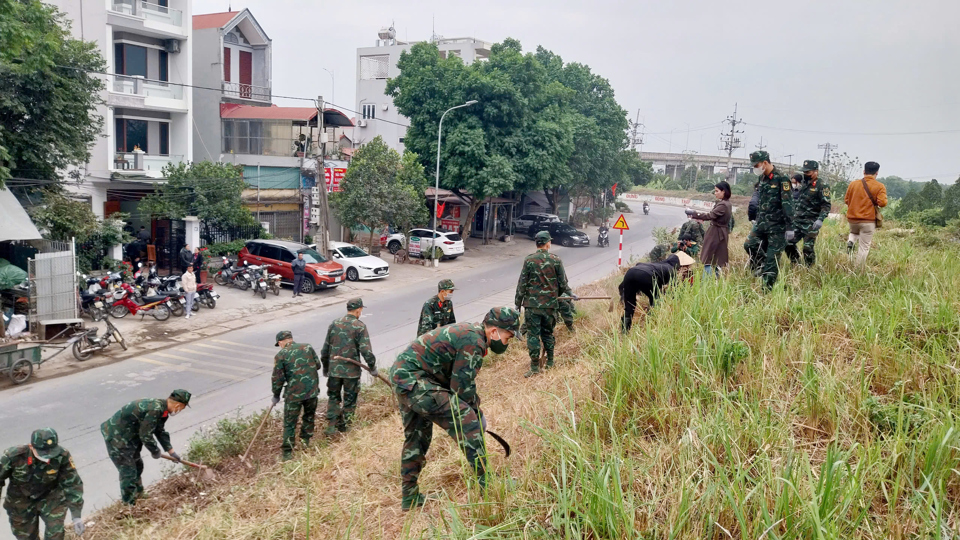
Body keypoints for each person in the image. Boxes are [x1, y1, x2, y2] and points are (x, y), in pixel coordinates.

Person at [391, 307, 520, 511]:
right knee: (466, 418)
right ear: (494, 332)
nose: (507, 343)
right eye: (508, 337)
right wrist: (477, 414)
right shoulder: (474, 342)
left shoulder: (471, 334)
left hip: (404, 378)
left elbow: (456, 380)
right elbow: (461, 388)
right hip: (414, 379)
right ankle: (488, 483)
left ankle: (409, 497)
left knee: (417, 436)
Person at [100, 390, 191, 505]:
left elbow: (159, 431)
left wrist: (171, 451)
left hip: (130, 437)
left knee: (138, 465)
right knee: (128, 471)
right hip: (117, 437)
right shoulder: (155, 409)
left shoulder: (162, 410)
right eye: (182, 408)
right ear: (178, 405)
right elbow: (146, 435)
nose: (180, 410)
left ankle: (139, 494)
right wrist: (155, 451)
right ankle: (129, 505)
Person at [1, 428, 84, 539]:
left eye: (51, 452)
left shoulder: (62, 455)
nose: (48, 457)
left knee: (56, 534)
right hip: (20, 502)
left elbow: (72, 483)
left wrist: (76, 515)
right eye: (43, 453)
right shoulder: (13, 456)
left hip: (51, 498)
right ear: (31, 446)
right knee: (27, 537)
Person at [515, 231, 572, 377]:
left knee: (533, 336)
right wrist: (566, 294)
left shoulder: (529, 260)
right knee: (548, 333)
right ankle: (550, 361)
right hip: (550, 305)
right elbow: (563, 283)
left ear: (537, 243)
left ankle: (534, 367)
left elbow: (522, 284)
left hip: (532, 306)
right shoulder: (556, 260)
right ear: (547, 243)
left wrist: (518, 303)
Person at [320, 298, 377, 436]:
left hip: (334, 370)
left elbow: (325, 349)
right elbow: (366, 351)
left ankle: (331, 426)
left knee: (333, 397)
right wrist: (372, 367)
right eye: (361, 310)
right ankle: (345, 428)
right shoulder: (359, 326)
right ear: (358, 310)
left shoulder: (334, 324)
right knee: (350, 399)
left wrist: (326, 368)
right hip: (351, 373)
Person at [743, 150, 795, 290]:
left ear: (765, 163)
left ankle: (767, 291)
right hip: (761, 223)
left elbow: (788, 204)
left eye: (757, 165)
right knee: (749, 245)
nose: (755, 168)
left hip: (777, 227)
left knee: (773, 260)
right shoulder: (762, 179)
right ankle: (762, 264)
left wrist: (790, 226)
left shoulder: (782, 178)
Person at [271, 331, 321, 461]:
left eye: (279, 344)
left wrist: (276, 395)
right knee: (309, 416)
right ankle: (305, 441)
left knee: (290, 422)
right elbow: (318, 365)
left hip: (294, 395)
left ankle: (288, 453)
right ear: (291, 339)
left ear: (281, 342)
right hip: (312, 391)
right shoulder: (307, 347)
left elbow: (277, 379)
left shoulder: (280, 355)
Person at [619, 252, 695, 332]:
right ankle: (649, 326)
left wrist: (624, 295)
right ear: (676, 265)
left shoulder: (656, 265)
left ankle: (624, 332)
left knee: (630, 306)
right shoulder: (671, 269)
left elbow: (623, 285)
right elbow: (675, 290)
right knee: (655, 301)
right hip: (646, 276)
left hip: (630, 273)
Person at [785, 160, 832, 266]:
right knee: (787, 243)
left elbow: (826, 205)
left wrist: (820, 219)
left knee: (807, 248)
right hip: (797, 221)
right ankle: (796, 263)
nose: (805, 175)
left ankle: (808, 269)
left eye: (808, 172)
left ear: (816, 171)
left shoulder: (822, 186)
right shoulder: (804, 184)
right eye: (804, 172)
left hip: (811, 222)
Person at [686, 181, 734, 276]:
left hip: (716, 233)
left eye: (717, 191)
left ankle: (706, 282)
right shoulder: (727, 204)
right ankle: (714, 280)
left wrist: (694, 213)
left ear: (723, 191)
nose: (715, 193)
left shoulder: (723, 205)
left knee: (709, 258)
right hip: (720, 232)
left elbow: (710, 215)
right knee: (716, 259)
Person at [844, 161, 887, 266]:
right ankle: (857, 270)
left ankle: (851, 241)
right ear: (876, 173)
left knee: (854, 232)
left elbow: (846, 200)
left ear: (864, 171)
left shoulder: (853, 184)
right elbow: (883, 203)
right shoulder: (879, 186)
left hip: (852, 219)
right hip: (868, 221)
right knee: (864, 247)